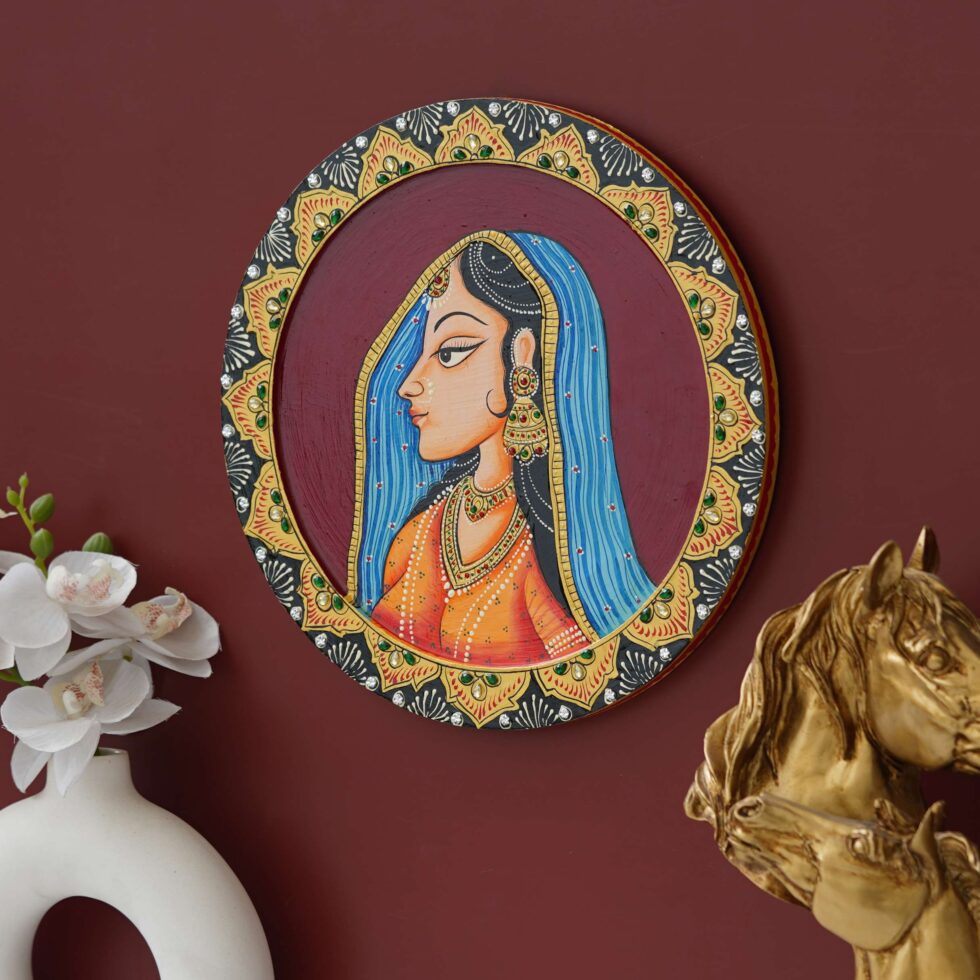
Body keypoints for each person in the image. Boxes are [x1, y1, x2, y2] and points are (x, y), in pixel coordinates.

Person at [347, 231, 653, 667]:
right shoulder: (420, 531)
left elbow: (591, 672)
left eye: (450, 352)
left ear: (522, 355)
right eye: (421, 354)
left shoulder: (549, 553)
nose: (409, 383)